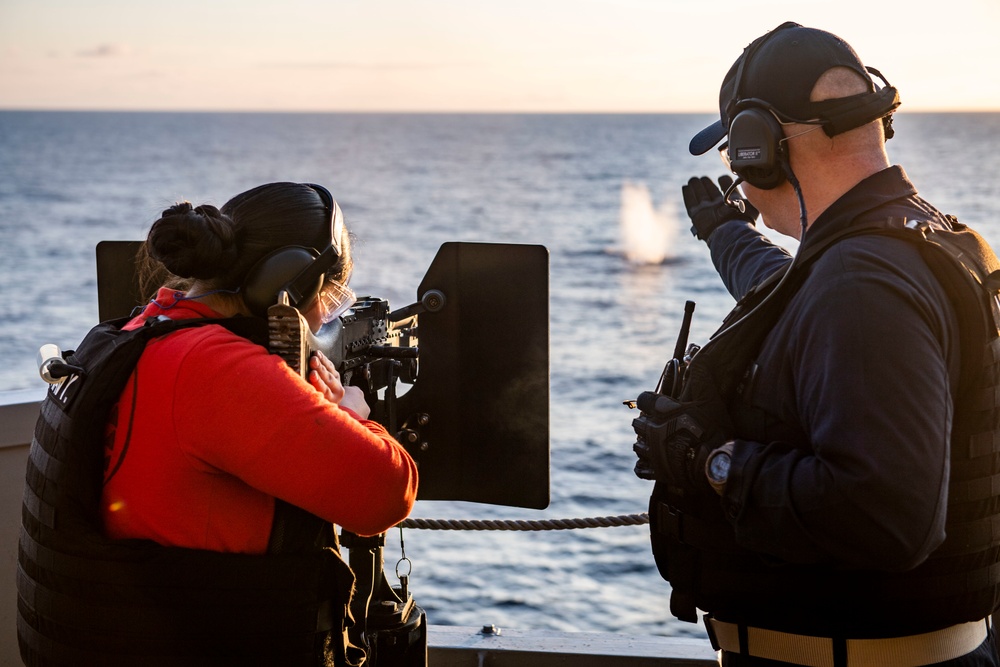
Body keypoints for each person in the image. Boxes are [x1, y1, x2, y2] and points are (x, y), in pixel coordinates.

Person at [631, 22, 1000, 666]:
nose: (738, 179)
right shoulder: (908, 241)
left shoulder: (863, 282)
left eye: (734, 157)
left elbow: (886, 515)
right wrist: (723, 232)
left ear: (760, 146)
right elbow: (784, 289)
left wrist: (710, 463)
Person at [19, 182, 418, 666]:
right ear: (288, 283)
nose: (321, 320)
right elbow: (387, 492)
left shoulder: (134, 331)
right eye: (326, 297)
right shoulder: (218, 371)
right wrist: (351, 412)